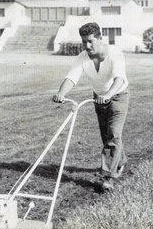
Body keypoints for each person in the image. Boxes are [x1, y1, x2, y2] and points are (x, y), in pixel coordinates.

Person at [52, 22, 129, 189]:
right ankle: (120, 161)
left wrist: (108, 95)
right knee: (107, 136)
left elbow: (119, 78)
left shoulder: (115, 53)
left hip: (118, 96)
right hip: (99, 98)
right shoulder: (82, 57)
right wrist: (61, 93)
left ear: (100, 39)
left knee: (114, 133)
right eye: (84, 42)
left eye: (90, 41)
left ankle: (109, 178)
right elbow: (72, 77)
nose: (87, 46)